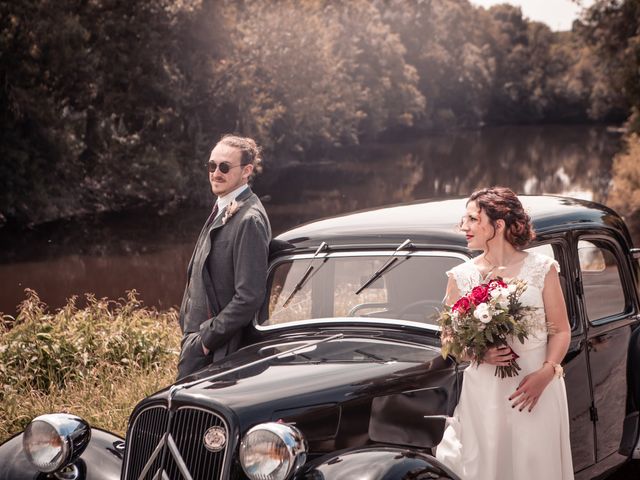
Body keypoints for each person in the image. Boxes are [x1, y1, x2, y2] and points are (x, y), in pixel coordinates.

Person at [436, 187, 573, 480]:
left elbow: (561, 330)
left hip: (535, 390)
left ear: (498, 225)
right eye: (465, 219)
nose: (464, 227)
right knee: (486, 467)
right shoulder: (460, 277)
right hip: (484, 393)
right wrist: (478, 353)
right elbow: (448, 339)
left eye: (473, 219)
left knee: (535, 466)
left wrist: (546, 374)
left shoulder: (542, 268)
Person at [176, 134, 271, 379]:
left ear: (246, 171)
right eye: (212, 166)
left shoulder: (250, 219)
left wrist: (206, 340)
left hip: (221, 354)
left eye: (225, 167)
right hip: (200, 348)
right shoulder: (222, 206)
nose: (216, 173)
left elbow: (249, 296)